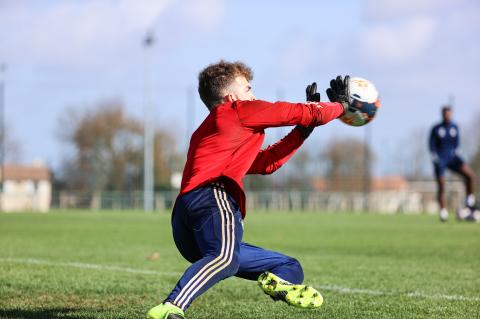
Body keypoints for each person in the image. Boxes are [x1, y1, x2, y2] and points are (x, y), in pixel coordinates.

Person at [147, 60, 351, 319]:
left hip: (186, 221)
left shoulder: (212, 130)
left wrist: (303, 131)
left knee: (287, 266)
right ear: (232, 97)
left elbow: (268, 162)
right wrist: (342, 106)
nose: (253, 95)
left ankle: (278, 282)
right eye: (248, 88)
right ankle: (171, 307)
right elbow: (311, 112)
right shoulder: (240, 110)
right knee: (225, 258)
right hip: (212, 199)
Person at [429, 106, 477, 222]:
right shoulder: (436, 129)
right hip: (441, 160)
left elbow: (456, 144)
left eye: (449, 114)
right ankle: (443, 211)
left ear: (451, 114)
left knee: (470, 176)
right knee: (441, 184)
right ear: (442, 114)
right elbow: (431, 146)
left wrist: (455, 153)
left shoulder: (454, 127)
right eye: (445, 114)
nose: (447, 116)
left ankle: (469, 202)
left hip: (452, 158)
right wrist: (435, 158)